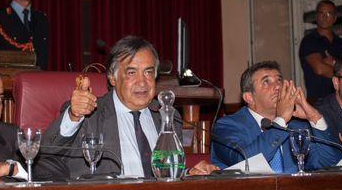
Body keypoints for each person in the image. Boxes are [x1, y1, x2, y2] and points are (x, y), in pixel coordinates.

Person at [34, 36, 216, 180]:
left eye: (148, 72)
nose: (142, 82)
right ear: (112, 78)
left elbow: (167, 174)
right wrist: (73, 115)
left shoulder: (166, 116)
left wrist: (190, 175)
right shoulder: (89, 115)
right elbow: (46, 153)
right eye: (131, 72)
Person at [211, 61, 339, 173]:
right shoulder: (227, 126)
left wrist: (314, 117)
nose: (278, 86)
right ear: (249, 97)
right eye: (266, 82)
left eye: (279, 80)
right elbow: (245, 163)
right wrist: (281, 119)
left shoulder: (297, 126)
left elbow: (327, 164)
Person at [299, 0, 342, 102]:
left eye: (329, 13)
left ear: (334, 18)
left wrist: (334, 63)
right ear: (316, 17)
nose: (325, 17)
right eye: (321, 13)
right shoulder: (309, 41)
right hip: (319, 102)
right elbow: (320, 69)